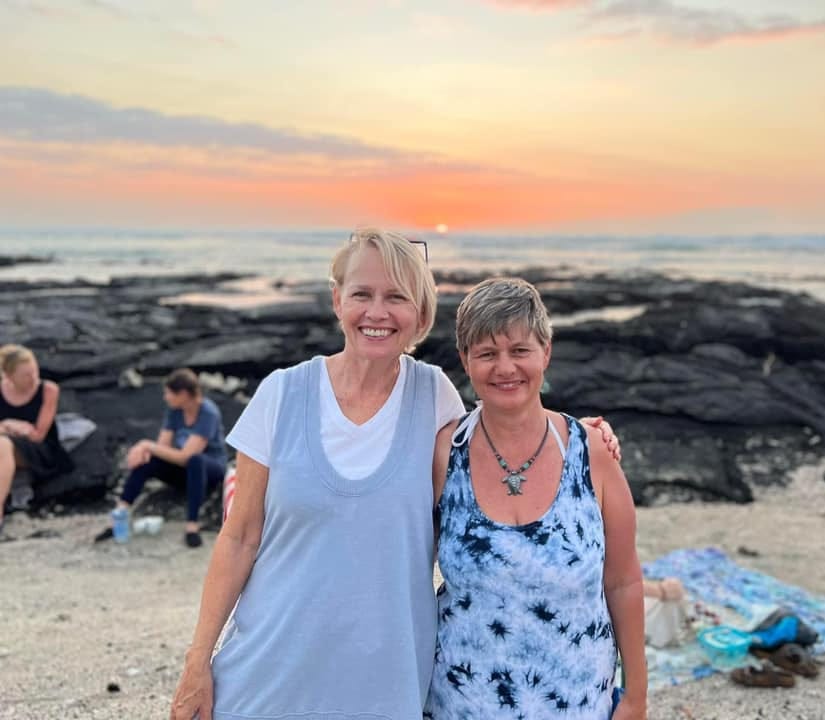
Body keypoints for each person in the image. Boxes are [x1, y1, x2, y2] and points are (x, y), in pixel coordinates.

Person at [169, 229, 620, 720]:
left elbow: (502, 438)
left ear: (421, 314)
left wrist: (579, 433)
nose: (377, 312)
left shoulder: (434, 397)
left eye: (397, 297)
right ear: (338, 300)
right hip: (266, 674)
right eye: (362, 294)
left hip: (385, 687)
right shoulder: (280, 394)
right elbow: (238, 538)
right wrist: (198, 661)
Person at [424, 277, 648, 719]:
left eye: (520, 350)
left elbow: (623, 581)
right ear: (465, 360)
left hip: (578, 702)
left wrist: (636, 695)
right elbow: (403, 571)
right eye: (487, 353)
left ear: (545, 352)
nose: (505, 367)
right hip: (461, 703)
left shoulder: (592, 452)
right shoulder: (444, 454)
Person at [104, 368, 227, 548]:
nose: (165, 397)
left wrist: (147, 445)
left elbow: (187, 456)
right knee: (148, 460)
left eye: (169, 393)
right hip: (184, 468)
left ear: (183, 394)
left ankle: (192, 526)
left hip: (210, 469)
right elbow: (162, 447)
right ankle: (120, 513)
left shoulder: (208, 413)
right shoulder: (175, 411)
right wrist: (145, 451)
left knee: (196, 460)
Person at [0, 344, 74, 532]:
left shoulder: (48, 390)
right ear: (9, 376)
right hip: (8, 436)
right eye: (25, 375)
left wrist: (9, 429)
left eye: (34, 371)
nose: (33, 378)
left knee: (3, 445)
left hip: (39, 449)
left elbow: (38, 434)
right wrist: (10, 424)